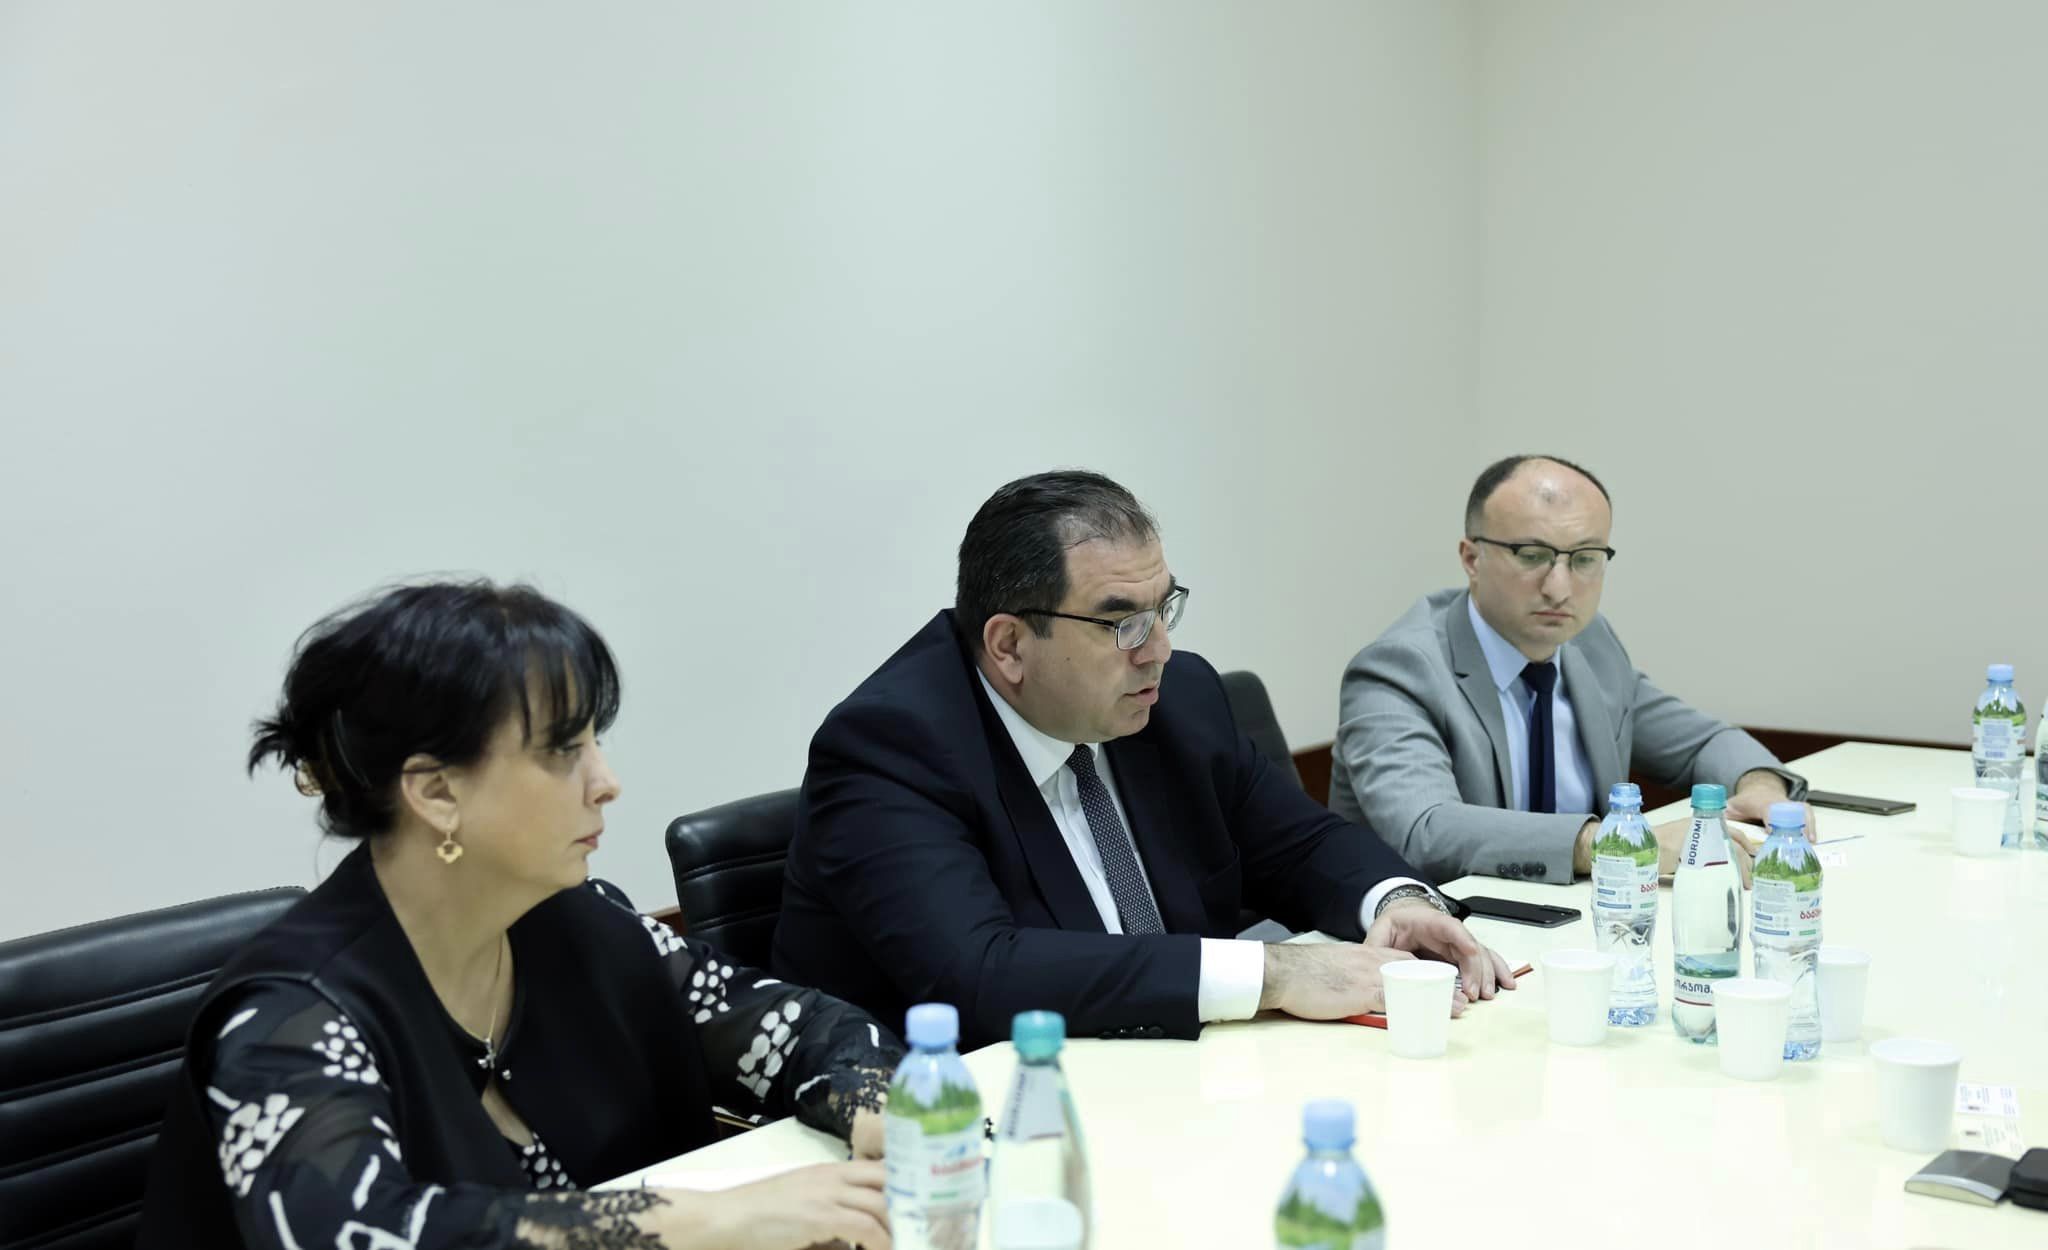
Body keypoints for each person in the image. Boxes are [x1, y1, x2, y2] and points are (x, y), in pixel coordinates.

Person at [138, 581, 901, 1250]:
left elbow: (797, 1027)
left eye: (597, 742)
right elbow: (354, 1231)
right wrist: (697, 1221)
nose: (607, 782)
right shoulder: (287, 1016)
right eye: (564, 751)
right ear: (436, 792)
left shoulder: (583, 923)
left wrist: (879, 1112)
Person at [773, 470, 1512, 1049]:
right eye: (1121, 622)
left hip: (1174, 1076)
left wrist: (1397, 903)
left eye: (1163, 608)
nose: (1158, 648)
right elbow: (981, 973)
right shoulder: (890, 748)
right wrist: (1275, 973)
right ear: (1008, 645)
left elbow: (1299, 843)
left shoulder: (1176, 698)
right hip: (962, 1122)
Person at [1330, 454, 1810, 887]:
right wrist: (1615, 845)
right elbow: (1426, 831)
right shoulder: (1398, 670)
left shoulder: (1588, 643)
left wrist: (1760, 787)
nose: (1559, 589)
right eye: (1532, 555)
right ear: (1471, 559)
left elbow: (1700, 743)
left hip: (1578, 923)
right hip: (1426, 936)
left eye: (1584, 559)